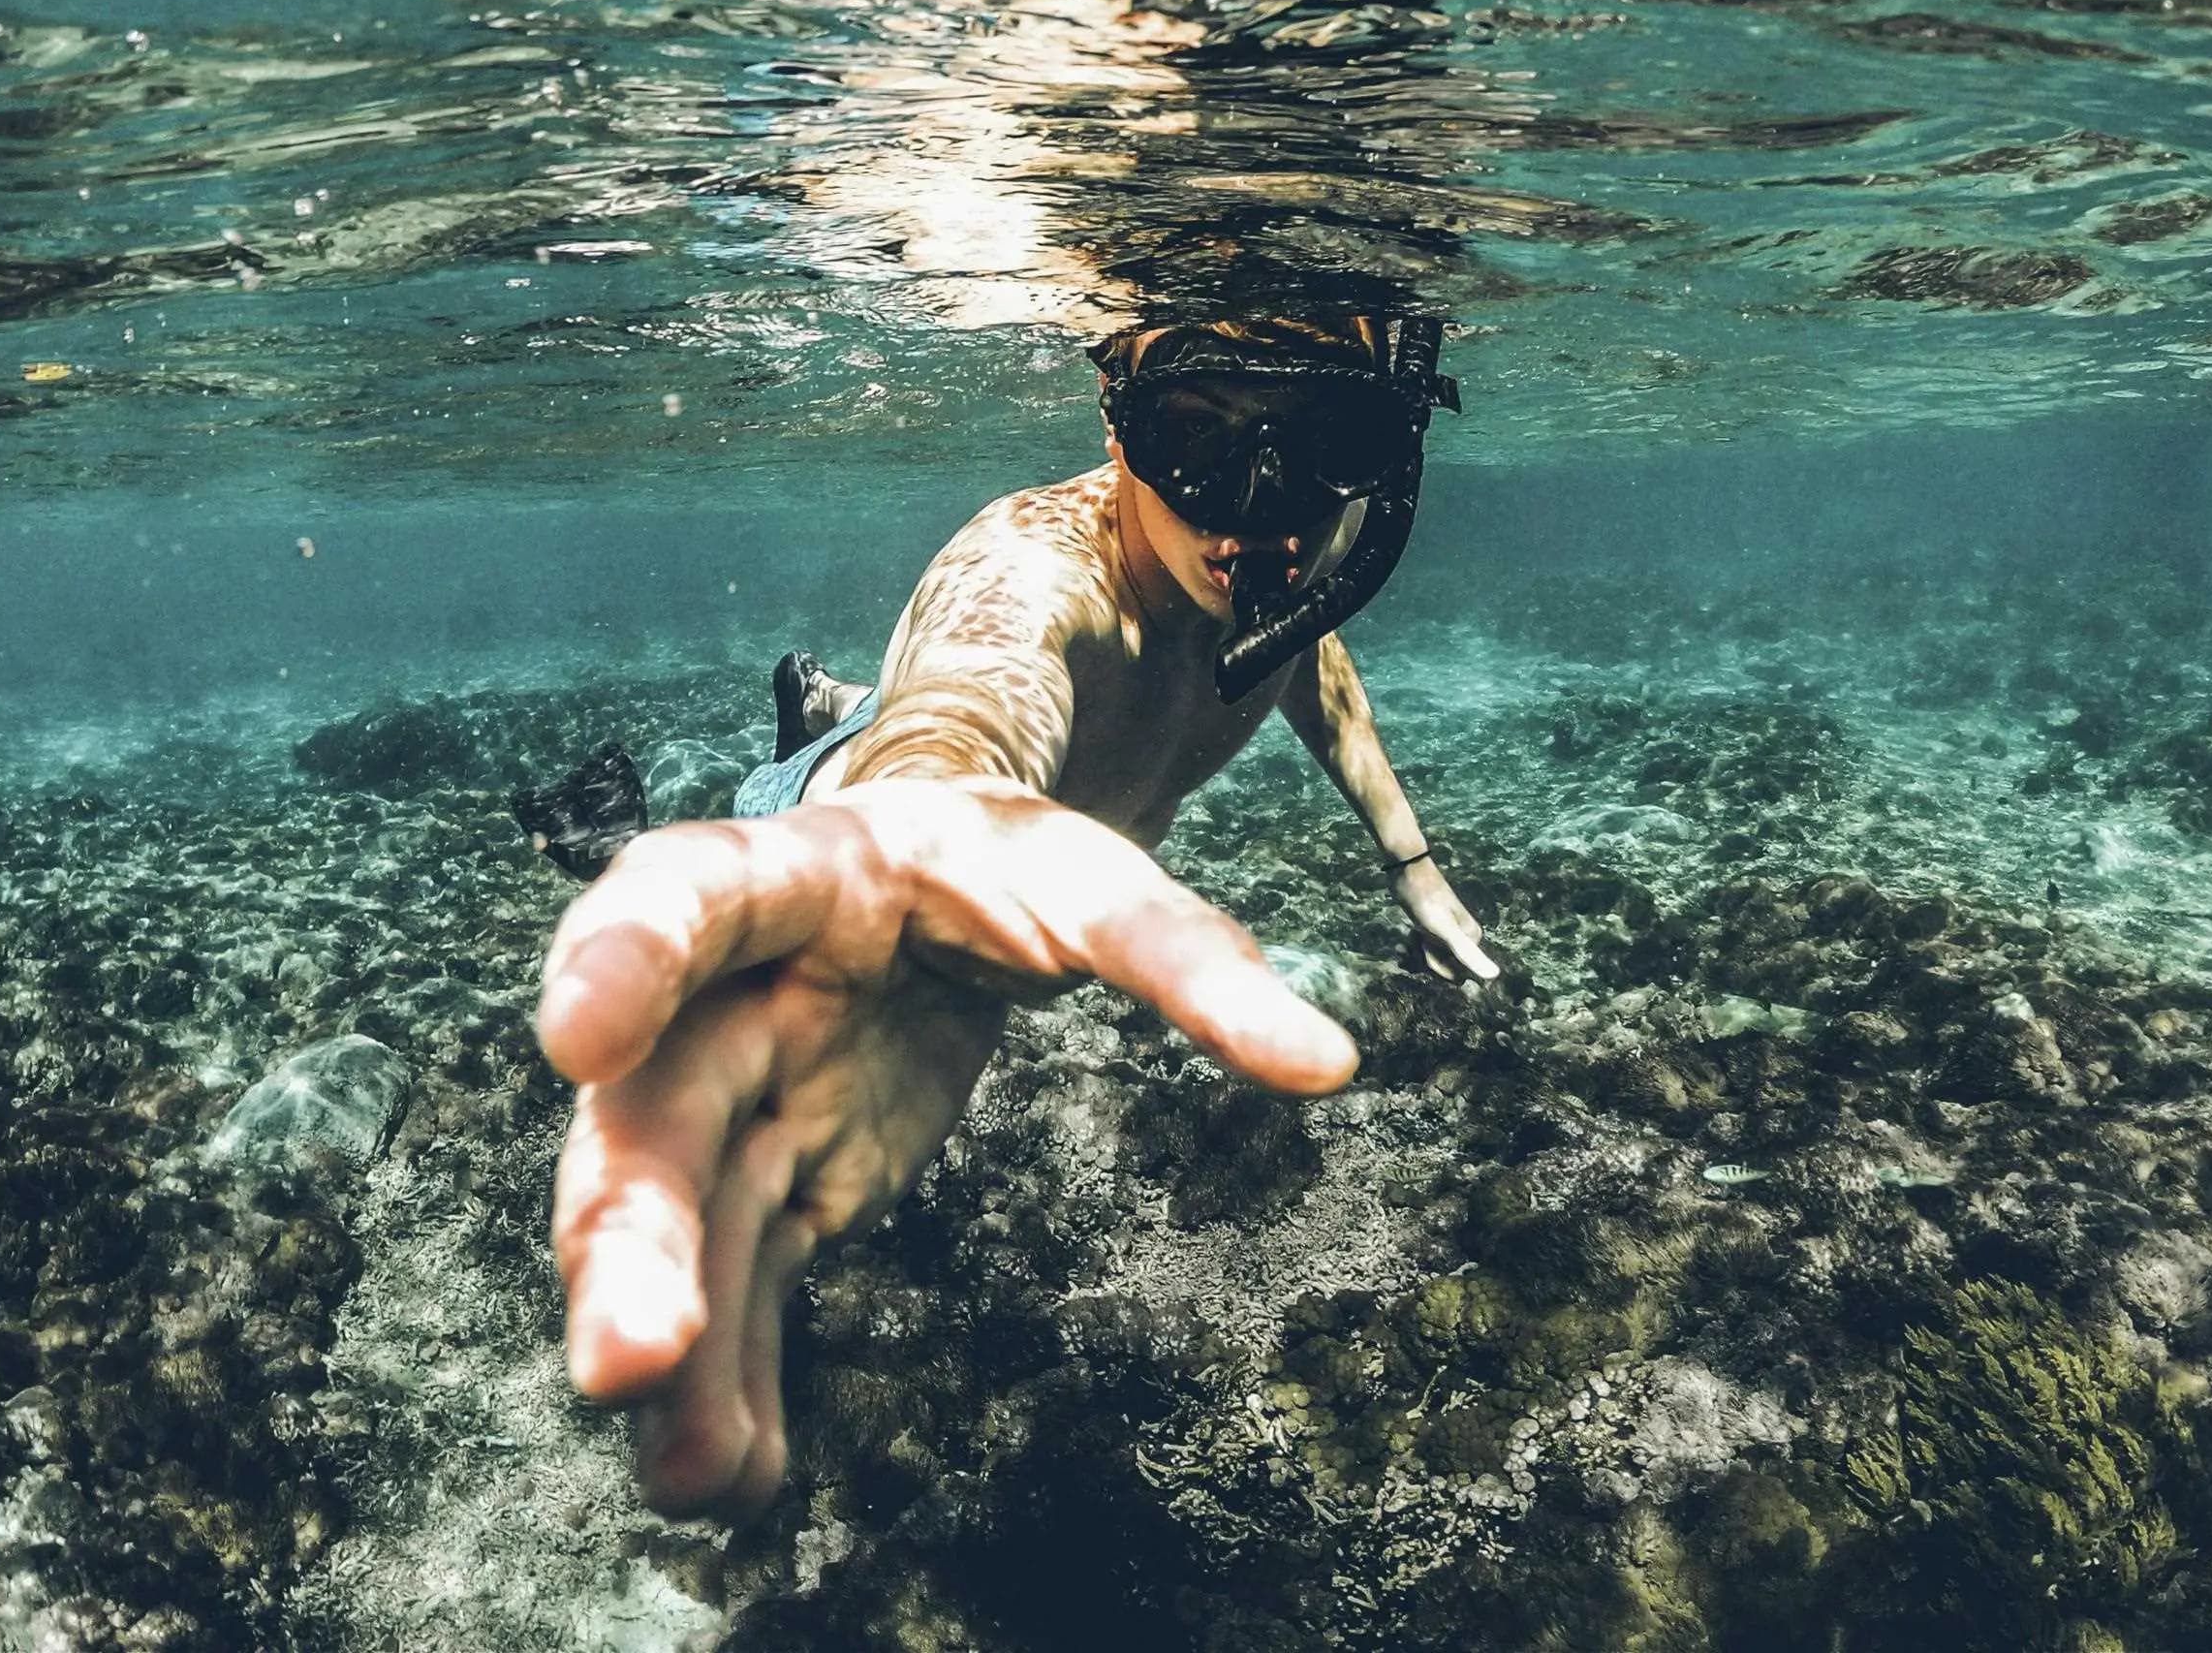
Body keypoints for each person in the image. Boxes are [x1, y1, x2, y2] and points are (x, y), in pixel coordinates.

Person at [533, 310, 1500, 1516]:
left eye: (1329, 439)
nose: (1258, 506)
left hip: (983, 833)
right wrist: (916, 807)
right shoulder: (1034, 563)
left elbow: (1304, 654)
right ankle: (690, 787)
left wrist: (1410, 861)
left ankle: (833, 703)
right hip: (842, 815)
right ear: (1118, 422)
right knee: (694, 868)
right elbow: (974, 690)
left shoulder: (1274, 571)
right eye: (1193, 436)